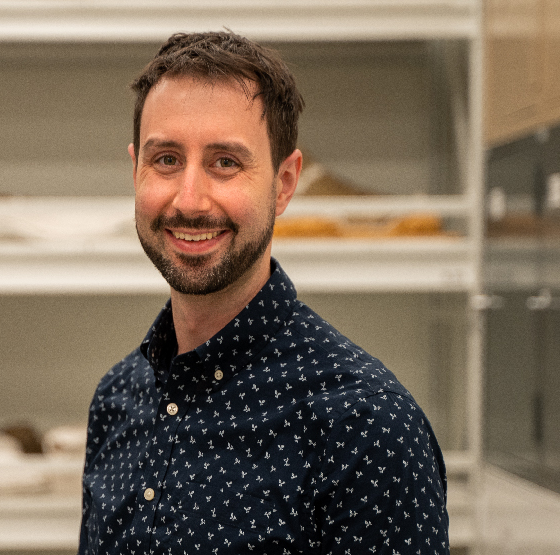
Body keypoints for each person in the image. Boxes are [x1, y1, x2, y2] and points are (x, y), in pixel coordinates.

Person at [78, 31, 450, 554]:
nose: (189, 199)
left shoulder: (367, 427)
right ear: (135, 168)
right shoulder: (117, 398)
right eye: (166, 160)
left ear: (284, 184)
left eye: (225, 162)